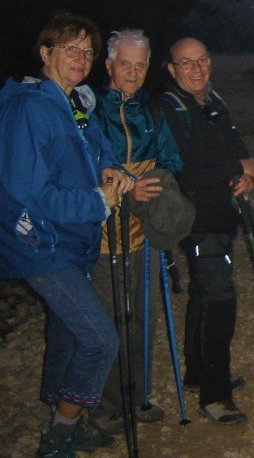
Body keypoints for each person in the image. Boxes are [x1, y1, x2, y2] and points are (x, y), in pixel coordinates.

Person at [0, 13, 134, 457]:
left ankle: (63, 416)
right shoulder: (29, 108)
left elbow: (98, 152)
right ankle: (60, 435)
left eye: (88, 52)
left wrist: (111, 171)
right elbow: (26, 189)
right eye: (70, 49)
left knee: (66, 333)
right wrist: (96, 203)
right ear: (46, 53)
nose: (81, 58)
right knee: (99, 339)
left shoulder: (76, 103)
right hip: (41, 242)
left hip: (73, 240)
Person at [158, 37, 254, 425]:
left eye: (203, 60)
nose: (197, 69)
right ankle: (215, 396)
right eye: (187, 63)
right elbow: (187, 165)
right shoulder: (169, 109)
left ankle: (198, 371)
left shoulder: (213, 102)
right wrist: (239, 164)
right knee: (221, 298)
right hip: (197, 220)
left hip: (220, 215)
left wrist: (246, 172)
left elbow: (233, 145)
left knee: (204, 292)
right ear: (172, 69)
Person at [92, 29, 189, 429]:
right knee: (108, 322)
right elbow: (85, 168)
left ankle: (136, 397)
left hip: (143, 234)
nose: (132, 72)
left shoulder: (150, 111)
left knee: (141, 320)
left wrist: (157, 181)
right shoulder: (90, 109)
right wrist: (128, 185)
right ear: (109, 66)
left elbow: (172, 160)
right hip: (100, 238)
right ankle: (103, 407)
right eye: (124, 63)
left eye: (140, 64)